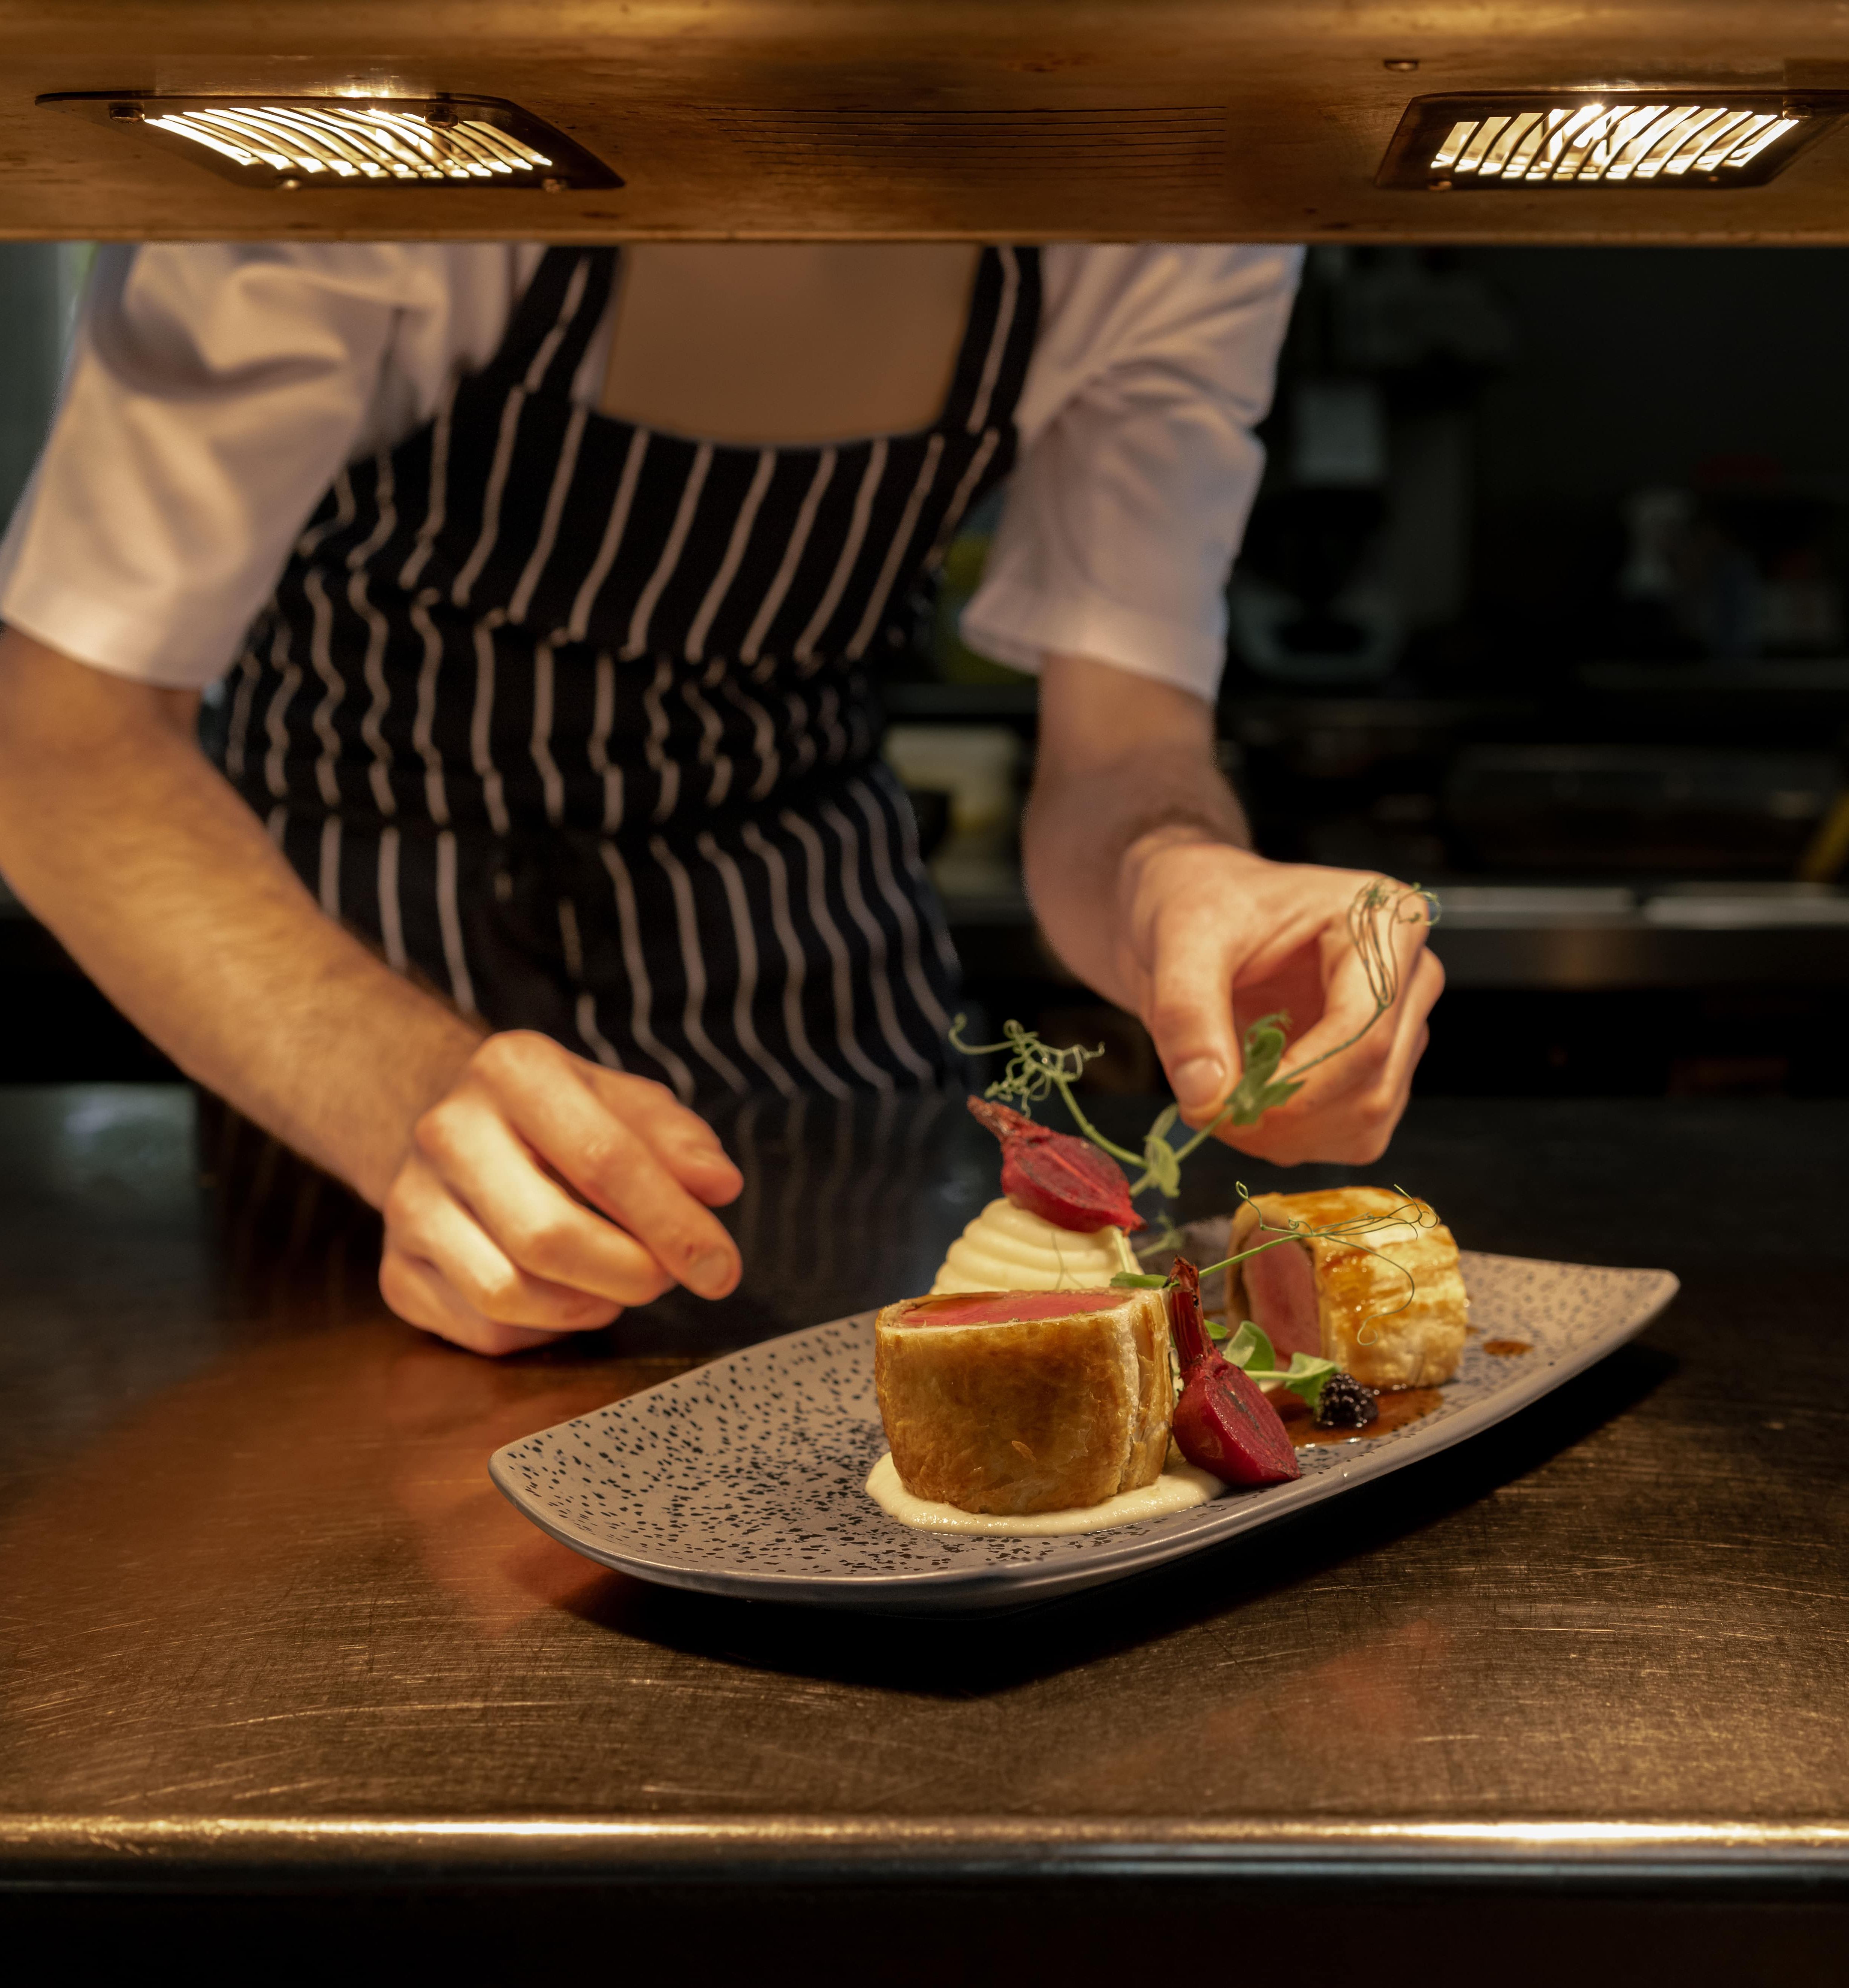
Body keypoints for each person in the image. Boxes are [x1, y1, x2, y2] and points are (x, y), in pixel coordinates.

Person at [0, 241, 1442, 1355]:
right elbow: (59, 744)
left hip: (811, 962)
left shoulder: (1169, 185)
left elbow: (1119, 750)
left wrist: (1172, 873)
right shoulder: (388, 108)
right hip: (347, 968)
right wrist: (397, 1094)